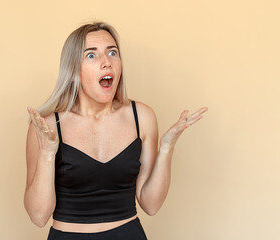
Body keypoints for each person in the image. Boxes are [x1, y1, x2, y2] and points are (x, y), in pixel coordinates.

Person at [24, 22, 208, 240]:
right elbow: (38, 216)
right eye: (91, 55)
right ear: (73, 69)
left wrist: (167, 148)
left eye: (113, 53)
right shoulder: (47, 127)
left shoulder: (142, 117)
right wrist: (47, 153)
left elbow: (150, 204)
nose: (106, 62)